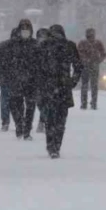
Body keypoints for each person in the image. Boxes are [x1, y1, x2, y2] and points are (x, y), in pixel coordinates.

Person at [37, 24, 83, 159]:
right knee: (60, 121)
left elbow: (37, 68)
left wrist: (41, 83)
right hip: (62, 87)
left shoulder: (45, 46)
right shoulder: (68, 46)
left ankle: (52, 146)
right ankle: (55, 145)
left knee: (51, 120)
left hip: (50, 88)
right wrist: (72, 81)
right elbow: (78, 66)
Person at [0, 19, 39, 140]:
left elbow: (43, 62)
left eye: (27, 29)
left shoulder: (35, 45)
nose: (25, 31)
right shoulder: (9, 45)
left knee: (30, 106)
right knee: (16, 106)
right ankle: (19, 126)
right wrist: (2, 74)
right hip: (14, 80)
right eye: (23, 29)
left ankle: (26, 130)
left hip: (31, 81)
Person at [76, 28, 106, 110]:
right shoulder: (82, 43)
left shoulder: (98, 43)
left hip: (93, 66)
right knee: (85, 85)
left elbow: (103, 53)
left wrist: (98, 61)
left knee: (93, 85)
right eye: (89, 35)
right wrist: (84, 60)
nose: (91, 37)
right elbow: (78, 53)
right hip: (86, 67)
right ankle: (84, 103)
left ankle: (93, 103)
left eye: (92, 34)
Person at [34, 28, 50, 133]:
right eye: (40, 36)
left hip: (48, 80)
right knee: (39, 102)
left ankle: (42, 122)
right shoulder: (34, 48)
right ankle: (44, 119)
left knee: (45, 102)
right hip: (36, 80)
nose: (42, 38)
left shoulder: (51, 48)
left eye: (44, 36)